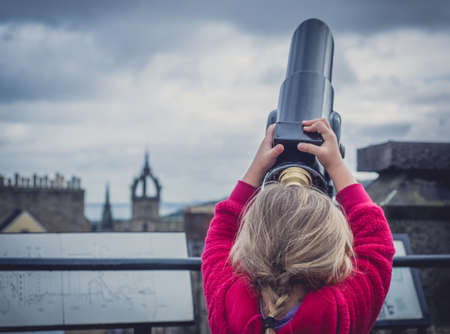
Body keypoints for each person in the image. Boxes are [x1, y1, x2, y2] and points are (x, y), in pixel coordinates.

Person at [201, 118, 395, 334]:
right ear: (331, 248)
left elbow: (220, 234)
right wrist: (335, 165)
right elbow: (377, 243)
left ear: (250, 240)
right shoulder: (339, 311)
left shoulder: (229, 304)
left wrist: (257, 167)